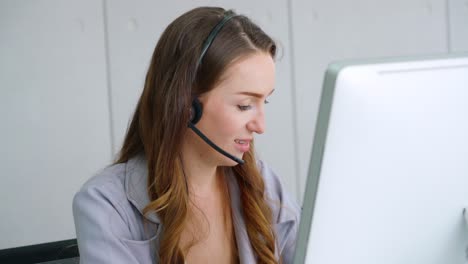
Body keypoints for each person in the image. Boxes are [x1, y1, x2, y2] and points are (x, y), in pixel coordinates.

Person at [73, 6, 300, 264]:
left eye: (264, 103)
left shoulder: (263, 182)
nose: (261, 126)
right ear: (185, 104)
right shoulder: (106, 204)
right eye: (245, 105)